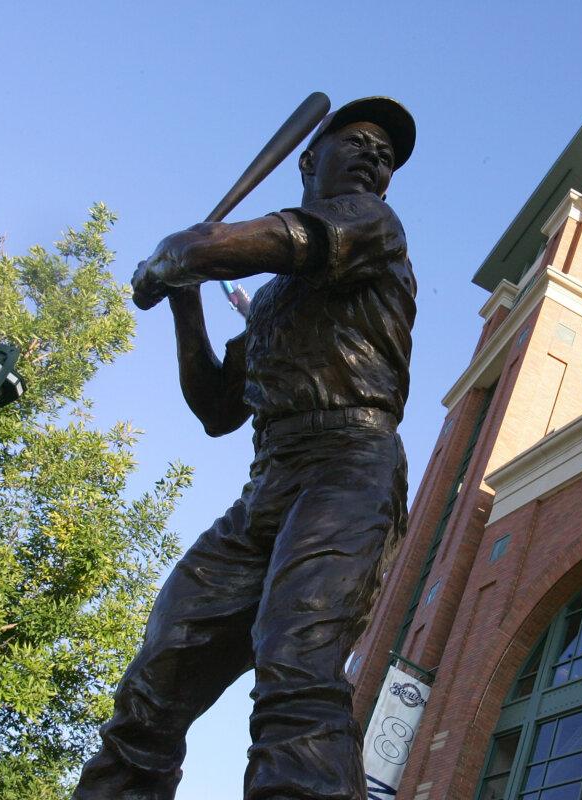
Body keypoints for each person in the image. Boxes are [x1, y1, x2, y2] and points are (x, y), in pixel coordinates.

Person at [73, 97, 417, 800]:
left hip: (348, 467)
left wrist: (185, 253)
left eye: (384, 155)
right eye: (356, 141)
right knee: (156, 680)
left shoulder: (371, 225)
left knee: (297, 661)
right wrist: (182, 297)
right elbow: (215, 408)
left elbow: (200, 248)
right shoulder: (272, 300)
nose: (374, 158)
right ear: (308, 160)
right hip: (268, 485)